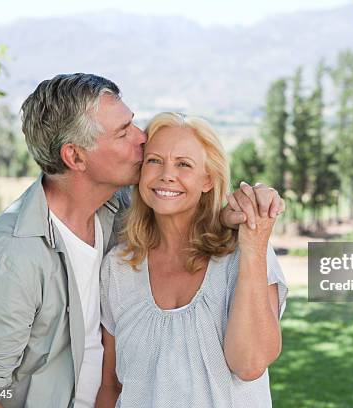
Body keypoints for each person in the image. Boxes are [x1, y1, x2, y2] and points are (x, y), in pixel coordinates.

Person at [0, 74, 284, 407]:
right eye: (123, 133)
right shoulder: (9, 256)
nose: (142, 138)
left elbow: (177, 205)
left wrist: (235, 218)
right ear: (75, 157)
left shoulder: (114, 211)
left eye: (133, 125)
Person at [96, 112, 288, 407]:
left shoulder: (245, 254)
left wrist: (252, 243)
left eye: (183, 164)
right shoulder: (118, 267)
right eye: (154, 160)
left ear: (208, 179)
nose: (166, 174)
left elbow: (249, 363)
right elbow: (111, 385)